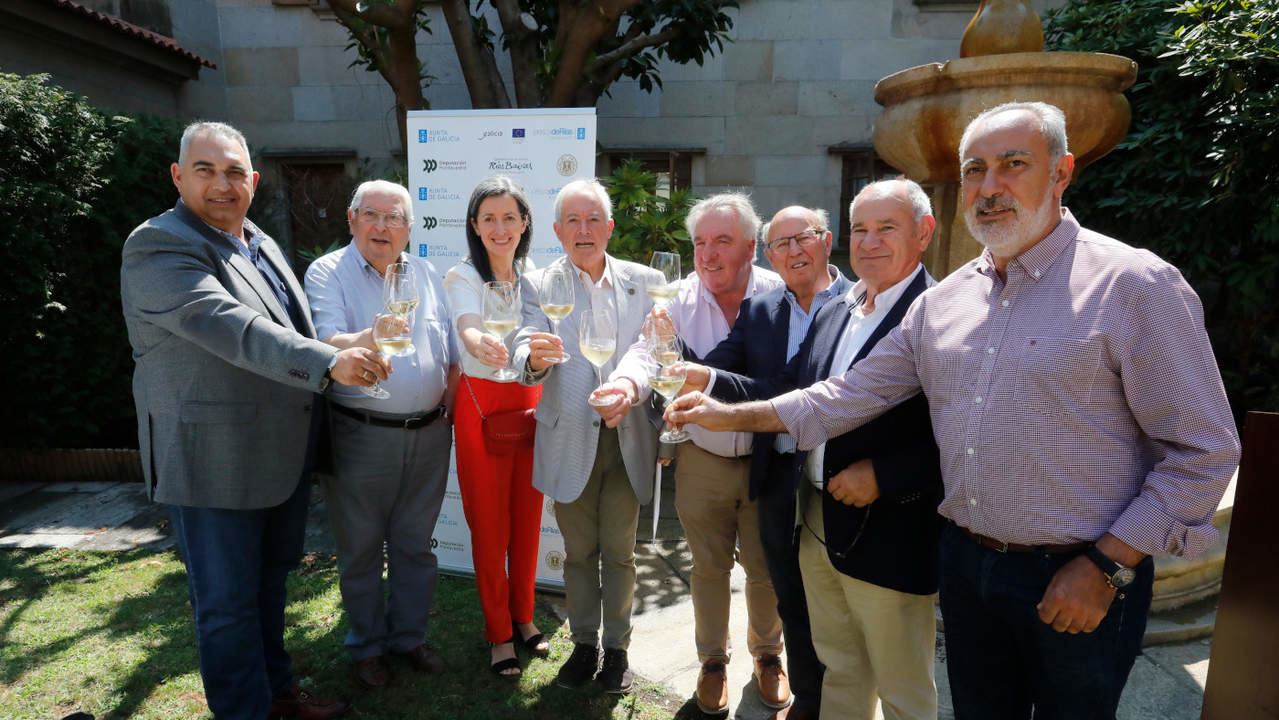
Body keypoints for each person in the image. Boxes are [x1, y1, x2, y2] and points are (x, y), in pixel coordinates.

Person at [666, 101, 1241, 720]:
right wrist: (729, 415)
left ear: (1061, 172)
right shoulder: (949, 300)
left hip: (1077, 571)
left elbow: (1204, 451)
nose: (990, 187)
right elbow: (849, 395)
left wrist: (1107, 566)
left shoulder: (1133, 285)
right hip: (967, 565)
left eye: (1013, 165)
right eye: (975, 170)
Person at [121, 121, 388, 720]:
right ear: (178, 176)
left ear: (254, 180)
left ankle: (278, 695)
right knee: (225, 605)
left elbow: (291, 334)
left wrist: (351, 341)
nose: (223, 184)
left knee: (268, 589)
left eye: (235, 171)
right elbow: (227, 326)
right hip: (211, 463)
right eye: (206, 170)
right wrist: (329, 362)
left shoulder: (258, 241)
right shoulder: (158, 245)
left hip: (277, 455)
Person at [691, 181, 945, 720]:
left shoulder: (940, 312)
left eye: (887, 228)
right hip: (814, 517)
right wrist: (699, 376)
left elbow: (964, 432)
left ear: (924, 233)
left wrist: (888, 472)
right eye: (862, 230)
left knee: (903, 685)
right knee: (840, 669)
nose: (870, 242)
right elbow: (795, 392)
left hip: (891, 531)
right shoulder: (842, 311)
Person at [614, 194, 790, 716]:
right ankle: (712, 662)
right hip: (702, 458)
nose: (708, 255)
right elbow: (648, 353)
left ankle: (769, 656)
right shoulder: (677, 299)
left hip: (766, 459)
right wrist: (626, 383)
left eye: (722, 242)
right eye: (699, 243)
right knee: (708, 567)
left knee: (764, 568)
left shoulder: (779, 295)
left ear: (751, 248)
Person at [303, 180, 458, 689]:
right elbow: (327, 341)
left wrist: (448, 406)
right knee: (362, 549)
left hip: (430, 435)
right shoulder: (328, 272)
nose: (383, 226)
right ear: (351, 220)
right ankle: (367, 647)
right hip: (359, 434)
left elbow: (452, 354)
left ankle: (409, 638)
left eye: (395, 218)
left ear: (410, 229)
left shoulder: (429, 274)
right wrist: (377, 332)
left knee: (417, 546)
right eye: (372, 214)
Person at [512, 178, 663, 694]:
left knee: (620, 551)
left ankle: (617, 651)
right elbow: (522, 343)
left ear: (610, 227)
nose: (584, 229)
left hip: (626, 438)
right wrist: (530, 359)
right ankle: (582, 645)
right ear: (556, 231)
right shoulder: (536, 283)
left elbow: (653, 346)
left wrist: (630, 383)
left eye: (593, 219)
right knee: (578, 554)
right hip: (568, 436)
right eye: (573, 221)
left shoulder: (644, 281)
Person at [442, 176, 546, 677]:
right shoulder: (462, 275)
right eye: (489, 219)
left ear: (524, 223)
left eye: (510, 217)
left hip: (529, 401)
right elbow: (467, 323)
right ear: (475, 226)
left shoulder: (536, 275)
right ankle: (498, 632)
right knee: (489, 527)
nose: (500, 228)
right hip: (481, 404)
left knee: (528, 521)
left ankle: (524, 617)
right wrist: (478, 339)